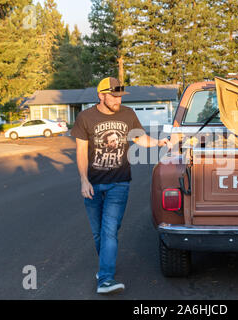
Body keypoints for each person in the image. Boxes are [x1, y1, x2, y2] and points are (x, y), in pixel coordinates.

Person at [71, 77, 171, 294]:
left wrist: (158, 142)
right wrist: (83, 180)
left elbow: (140, 138)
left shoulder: (127, 114)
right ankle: (104, 267)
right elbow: (80, 151)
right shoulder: (85, 117)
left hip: (119, 182)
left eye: (119, 97)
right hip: (93, 185)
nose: (117, 100)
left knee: (109, 230)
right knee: (99, 234)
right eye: (113, 96)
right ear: (101, 95)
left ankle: (105, 278)